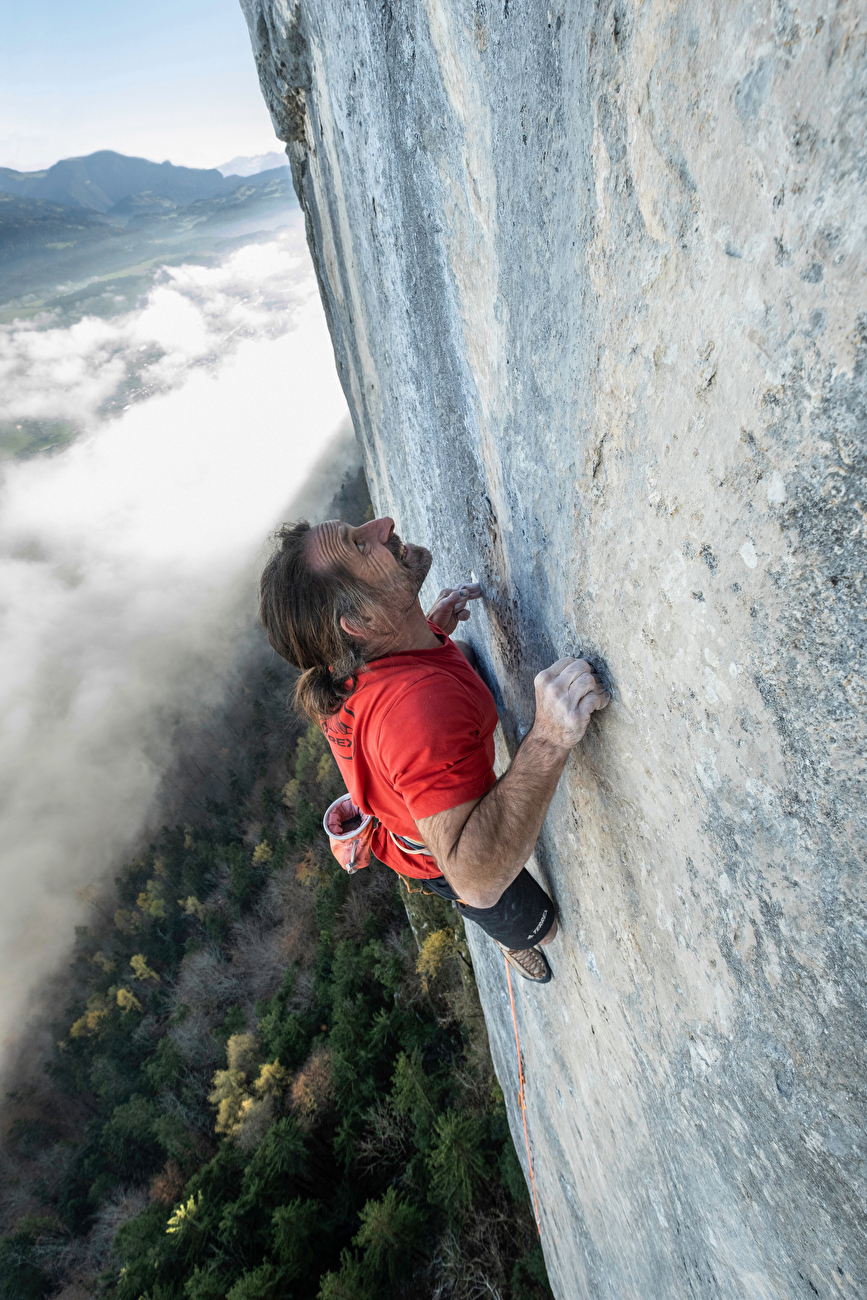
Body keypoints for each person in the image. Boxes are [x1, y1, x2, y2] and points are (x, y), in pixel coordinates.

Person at [258, 514, 609, 983]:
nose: (383, 524)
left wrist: (418, 631)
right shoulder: (416, 710)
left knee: (460, 654)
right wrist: (548, 738)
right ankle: (509, 939)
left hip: (403, 804)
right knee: (538, 927)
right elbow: (476, 877)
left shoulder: (344, 669)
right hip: (433, 859)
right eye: (361, 546)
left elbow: (399, 708)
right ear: (361, 621)